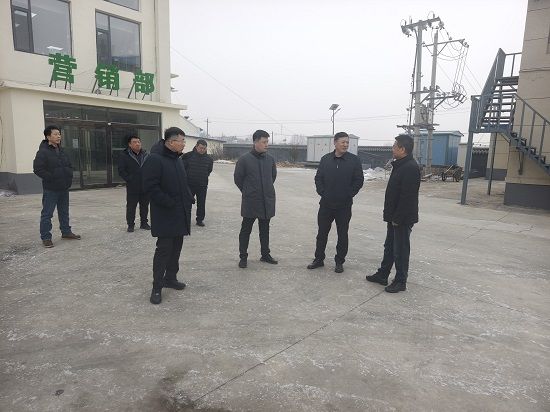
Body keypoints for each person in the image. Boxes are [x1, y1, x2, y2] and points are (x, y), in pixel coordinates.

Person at [142, 127, 193, 304]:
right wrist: (168, 202)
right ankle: (157, 287)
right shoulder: (155, 159)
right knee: (163, 250)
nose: (184, 144)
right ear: (171, 142)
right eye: (182, 141)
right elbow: (150, 187)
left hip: (180, 213)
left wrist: (188, 196)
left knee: (176, 248)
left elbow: (182, 183)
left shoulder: (177, 159)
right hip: (165, 214)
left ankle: (170, 278)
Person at [366, 134, 420, 293]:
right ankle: (383, 274)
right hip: (394, 216)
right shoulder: (400, 165)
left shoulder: (410, 167)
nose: (392, 149)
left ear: (402, 149)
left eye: (394, 146)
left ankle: (400, 281)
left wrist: (398, 218)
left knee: (400, 250)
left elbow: (408, 197)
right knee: (389, 246)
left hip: (401, 218)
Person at [307, 132, 364, 273]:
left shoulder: (354, 160)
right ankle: (318, 259)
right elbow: (318, 178)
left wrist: (349, 194)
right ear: (335, 142)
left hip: (344, 206)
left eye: (347, 142)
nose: (345, 144)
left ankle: (339, 261)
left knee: (342, 234)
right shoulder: (326, 159)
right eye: (343, 142)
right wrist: (322, 192)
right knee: (322, 233)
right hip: (326, 204)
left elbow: (359, 180)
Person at [234, 130, 278, 268]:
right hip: (251, 201)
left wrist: (266, 189)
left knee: (265, 230)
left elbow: (273, 177)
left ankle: (265, 254)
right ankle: (243, 257)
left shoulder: (270, 160)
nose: (266, 145)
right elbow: (238, 179)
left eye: (267, 142)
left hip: (266, 201)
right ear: (255, 142)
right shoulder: (244, 160)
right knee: (246, 229)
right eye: (264, 142)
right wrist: (248, 191)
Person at [33, 125, 81, 248]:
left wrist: (69, 174)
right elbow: (38, 169)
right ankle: (46, 237)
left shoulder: (62, 150)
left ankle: (66, 232)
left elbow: (68, 165)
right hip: (51, 189)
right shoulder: (43, 152)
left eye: (59, 134)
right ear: (48, 136)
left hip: (64, 187)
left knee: (64, 212)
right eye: (55, 134)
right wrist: (51, 177)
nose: (59, 136)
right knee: (47, 214)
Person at [118, 134, 150, 232]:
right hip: (133, 186)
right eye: (134, 142)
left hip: (145, 185)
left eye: (139, 142)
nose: (137, 144)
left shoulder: (146, 154)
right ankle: (130, 225)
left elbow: (150, 168)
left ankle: (144, 223)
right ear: (130, 144)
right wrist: (130, 179)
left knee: (144, 206)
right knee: (131, 206)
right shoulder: (125, 155)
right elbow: (121, 170)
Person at [182, 139, 214, 227]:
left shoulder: (209, 159)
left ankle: (200, 219)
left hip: (202, 185)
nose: (202, 150)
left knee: (201, 203)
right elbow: (182, 169)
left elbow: (209, 170)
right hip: (189, 185)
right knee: (187, 203)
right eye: (200, 148)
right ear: (196, 146)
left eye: (204, 148)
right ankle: (186, 220)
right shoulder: (187, 156)